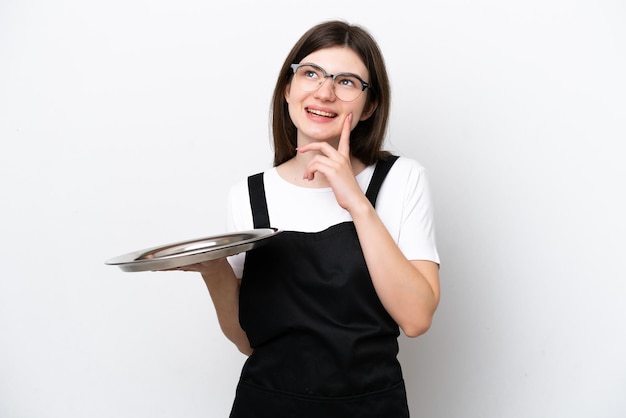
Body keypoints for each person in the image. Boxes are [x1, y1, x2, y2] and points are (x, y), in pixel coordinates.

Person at [180, 20, 440, 417]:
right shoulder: (249, 195)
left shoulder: (401, 179)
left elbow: (417, 318)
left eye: (347, 82)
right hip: (266, 405)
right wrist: (214, 270)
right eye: (311, 74)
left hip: (370, 407)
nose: (324, 92)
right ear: (289, 89)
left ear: (369, 105)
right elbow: (249, 340)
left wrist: (357, 202)